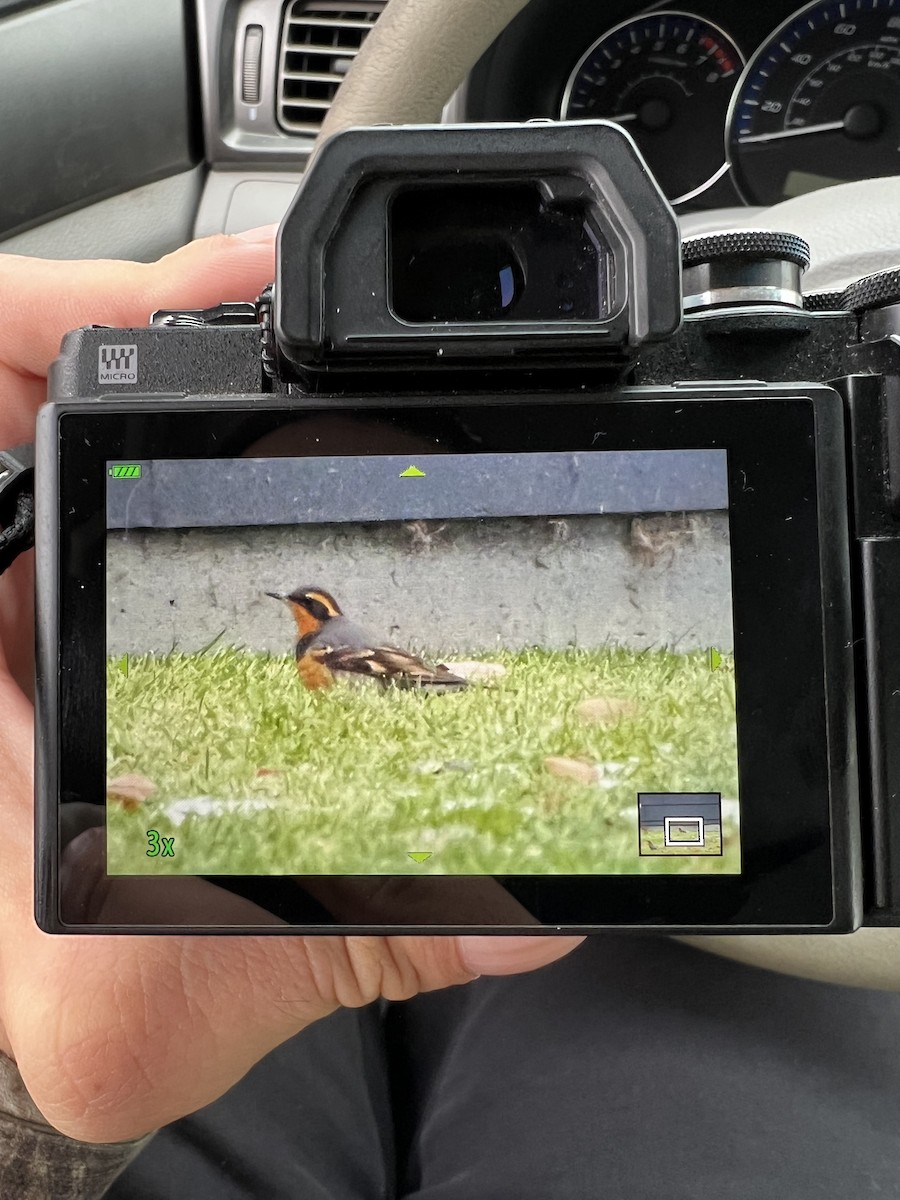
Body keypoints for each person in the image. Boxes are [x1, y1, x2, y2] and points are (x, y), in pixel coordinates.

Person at [3, 233, 900, 1200]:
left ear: (318, 617)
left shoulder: (327, 650)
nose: (296, 617)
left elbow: (378, 668)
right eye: (300, 608)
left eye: (303, 608)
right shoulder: (313, 649)